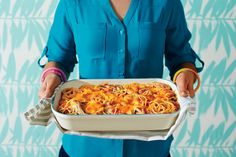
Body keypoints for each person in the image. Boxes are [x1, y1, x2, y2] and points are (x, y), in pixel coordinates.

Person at [38, 0, 204, 156]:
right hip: (84, 148)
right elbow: (59, 59)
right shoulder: (72, 3)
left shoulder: (167, 3)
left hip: (148, 149)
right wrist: (53, 76)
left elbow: (182, 58)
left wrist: (185, 73)